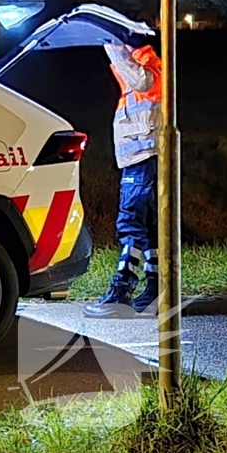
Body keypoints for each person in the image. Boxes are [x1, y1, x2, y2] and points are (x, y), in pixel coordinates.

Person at [84, 39, 162, 319]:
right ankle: (155, 291)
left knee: (130, 222)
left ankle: (121, 292)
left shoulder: (146, 65)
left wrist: (113, 46)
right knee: (148, 227)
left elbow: (141, 81)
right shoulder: (140, 69)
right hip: (142, 159)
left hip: (144, 158)